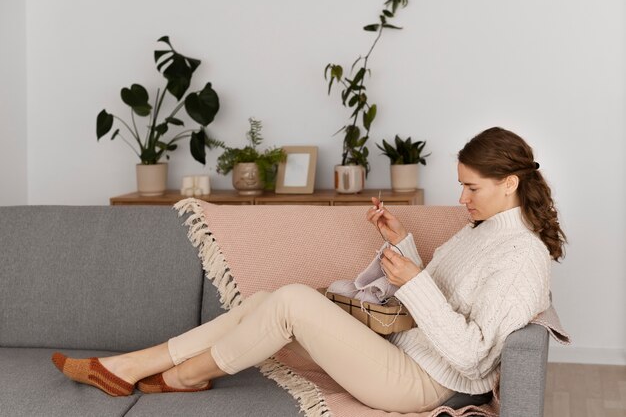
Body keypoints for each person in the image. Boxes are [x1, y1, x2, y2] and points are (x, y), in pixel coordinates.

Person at [52, 127, 566, 413]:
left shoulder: (523, 257)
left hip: (428, 383)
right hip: (405, 355)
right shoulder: (483, 228)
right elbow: (447, 289)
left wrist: (414, 282)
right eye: (461, 185)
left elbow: (474, 358)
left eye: (470, 188)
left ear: (511, 183)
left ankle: (184, 376)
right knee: (264, 301)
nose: (461, 198)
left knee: (294, 300)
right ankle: (130, 366)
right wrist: (401, 244)